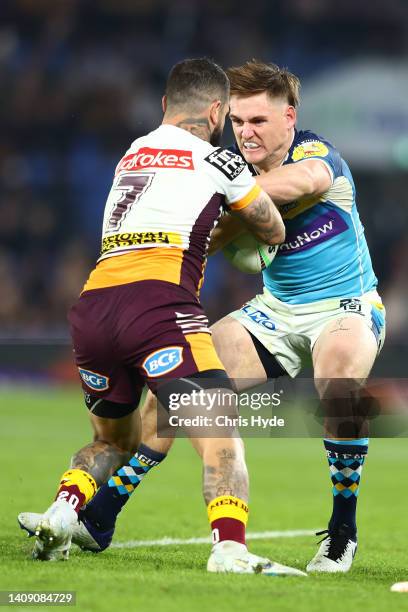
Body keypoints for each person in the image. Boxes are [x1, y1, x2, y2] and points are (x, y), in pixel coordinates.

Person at [21, 59, 385, 574]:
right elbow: (204, 241)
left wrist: (217, 196)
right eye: (237, 122)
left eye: (258, 121)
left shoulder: (314, 153)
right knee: (174, 403)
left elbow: (303, 181)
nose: (246, 132)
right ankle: (101, 516)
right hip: (275, 313)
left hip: (345, 305)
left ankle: (342, 531)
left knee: (340, 376)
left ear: (289, 116)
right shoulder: (227, 171)